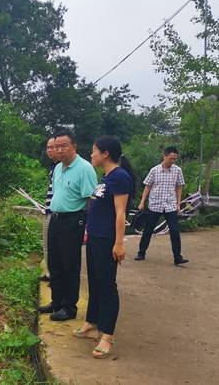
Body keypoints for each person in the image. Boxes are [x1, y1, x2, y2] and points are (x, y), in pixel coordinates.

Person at [73, 136, 136, 359]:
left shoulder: (119, 177)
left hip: (107, 240)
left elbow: (120, 213)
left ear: (105, 153)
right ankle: (92, 322)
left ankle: (107, 336)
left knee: (107, 286)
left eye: (94, 151)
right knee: (95, 282)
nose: (91, 155)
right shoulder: (107, 177)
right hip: (95, 238)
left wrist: (119, 243)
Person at [38, 131, 98, 321]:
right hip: (55, 219)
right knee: (54, 263)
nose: (59, 150)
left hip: (73, 220)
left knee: (69, 265)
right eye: (56, 146)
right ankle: (56, 301)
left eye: (63, 146)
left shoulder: (84, 168)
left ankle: (69, 307)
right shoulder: (57, 168)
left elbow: (91, 199)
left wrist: (87, 227)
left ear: (74, 147)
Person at [135, 146, 189, 265]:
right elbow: (147, 186)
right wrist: (142, 202)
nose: (173, 161)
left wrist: (178, 203)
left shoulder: (177, 170)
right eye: (171, 158)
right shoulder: (154, 170)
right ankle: (141, 252)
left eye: (175, 159)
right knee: (148, 230)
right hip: (155, 204)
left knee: (174, 231)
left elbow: (179, 186)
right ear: (164, 156)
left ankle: (177, 257)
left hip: (170, 205)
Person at [40, 137, 59, 282]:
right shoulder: (53, 167)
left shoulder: (61, 167)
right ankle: (49, 273)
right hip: (48, 211)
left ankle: (53, 275)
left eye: (53, 147)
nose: (50, 150)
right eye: (48, 147)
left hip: (55, 213)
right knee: (46, 245)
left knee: (51, 246)